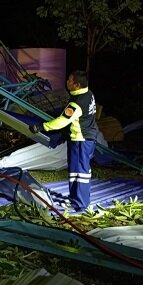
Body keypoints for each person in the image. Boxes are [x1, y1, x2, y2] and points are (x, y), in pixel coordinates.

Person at [29, 70, 100, 212]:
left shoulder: (77, 103)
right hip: (86, 138)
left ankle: (80, 204)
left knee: (80, 173)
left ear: (77, 84)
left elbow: (62, 121)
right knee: (76, 172)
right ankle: (76, 199)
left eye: (69, 80)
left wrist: (42, 127)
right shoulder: (88, 94)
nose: (67, 82)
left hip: (80, 141)